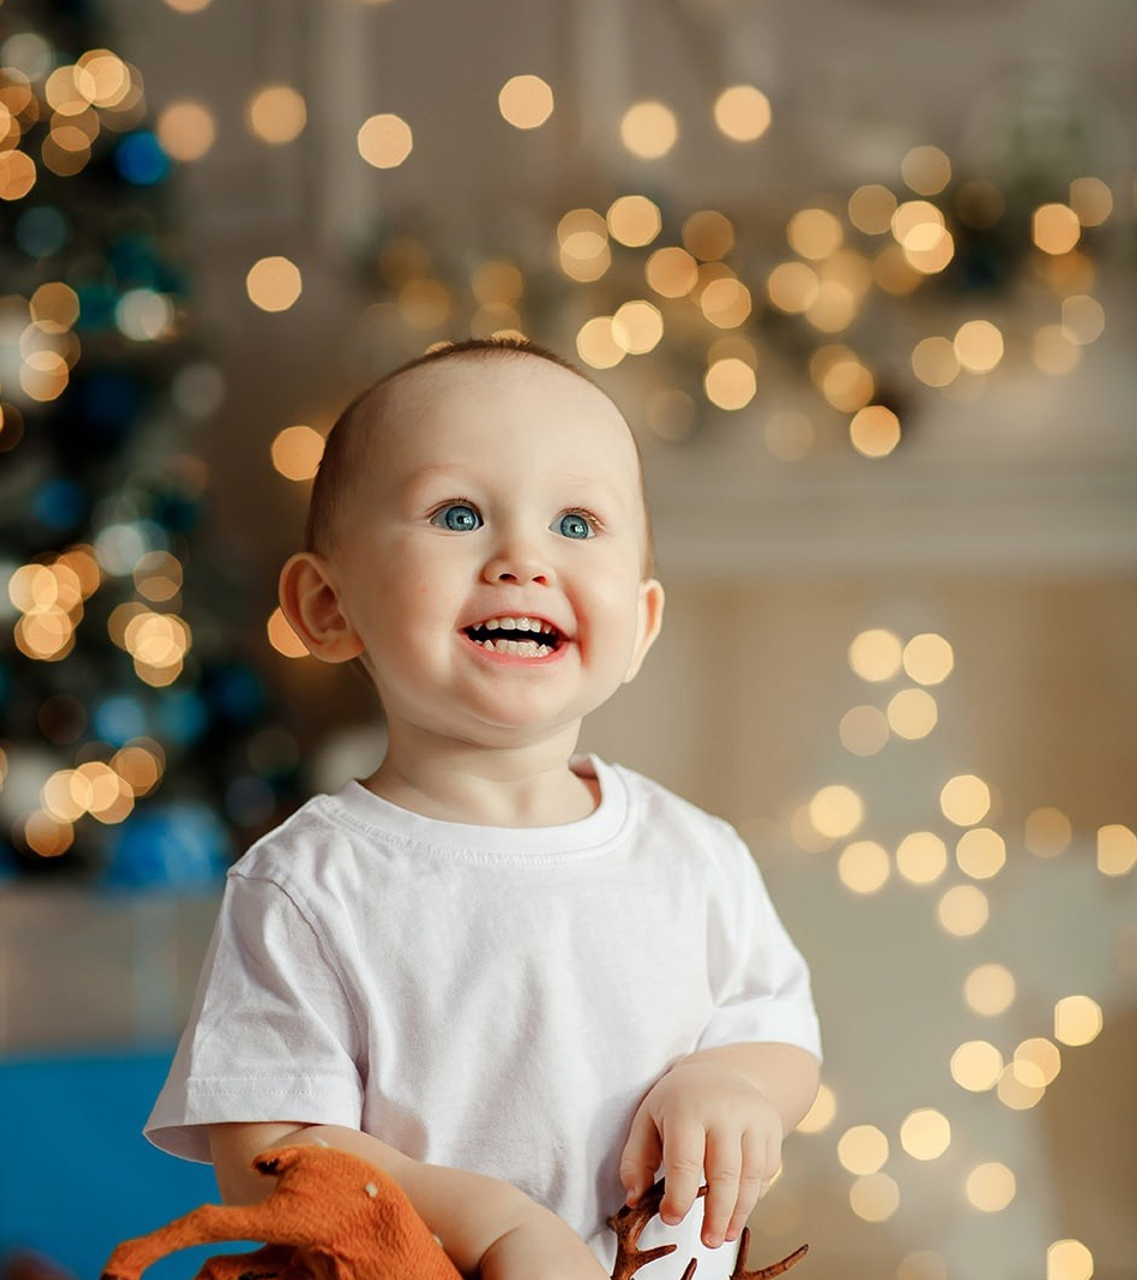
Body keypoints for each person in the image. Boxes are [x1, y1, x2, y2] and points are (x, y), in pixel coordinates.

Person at [144, 338, 822, 1280]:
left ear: (641, 623)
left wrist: (733, 1080)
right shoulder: (308, 884)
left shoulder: (692, 857)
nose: (523, 558)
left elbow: (777, 1030)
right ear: (328, 605)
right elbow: (270, 1159)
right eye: (458, 513)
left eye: (578, 523)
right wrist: (495, 1224)